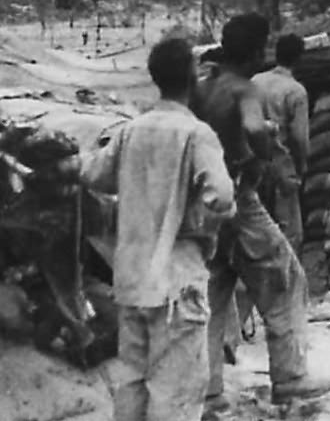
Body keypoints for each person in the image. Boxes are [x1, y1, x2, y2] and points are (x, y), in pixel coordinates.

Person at [80, 37, 235, 421]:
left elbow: (95, 175)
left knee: (131, 381)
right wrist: (199, 220)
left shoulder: (131, 131)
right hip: (176, 282)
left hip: (131, 280)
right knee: (175, 393)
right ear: (190, 77)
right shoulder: (197, 133)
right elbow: (222, 196)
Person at [194, 15, 330, 410]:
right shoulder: (244, 89)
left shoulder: (203, 88)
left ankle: (208, 392)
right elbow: (254, 128)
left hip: (205, 203)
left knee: (215, 291)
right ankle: (290, 379)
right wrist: (263, 151)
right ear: (257, 52)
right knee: (285, 278)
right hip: (239, 197)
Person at [251, 33, 309, 252]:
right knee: (290, 232)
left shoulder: (255, 82)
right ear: (299, 58)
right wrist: (302, 166)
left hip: (255, 163)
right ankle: (287, 282)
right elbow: (298, 137)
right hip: (282, 164)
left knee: (261, 226)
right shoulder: (296, 91)